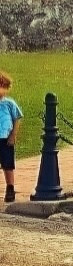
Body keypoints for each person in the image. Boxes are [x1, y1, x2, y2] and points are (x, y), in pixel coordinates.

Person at [0, 71, 23, 203]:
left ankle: (10, 188)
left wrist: (13, 135)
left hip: (5, 138)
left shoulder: (9, 103)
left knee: (8, 165)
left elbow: (17, 119)